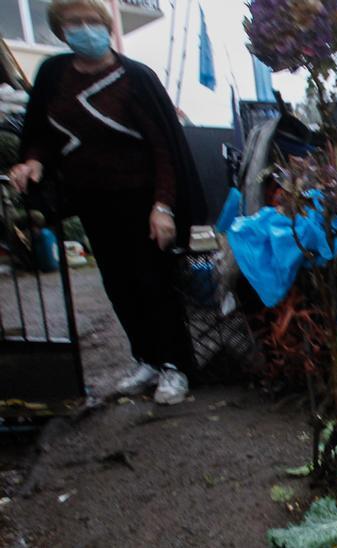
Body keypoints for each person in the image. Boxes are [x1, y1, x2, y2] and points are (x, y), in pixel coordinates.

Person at [7, 0, 206, 405]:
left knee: (154, 282)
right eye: (73, 23)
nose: (84, 29)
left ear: (106, 26)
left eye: (91, 22)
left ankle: (176, 366)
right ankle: (146, 359)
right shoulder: (54, 75)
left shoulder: (136, 78)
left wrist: (163, 206)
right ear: (60, 30)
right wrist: (32, 161)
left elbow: (164, 149)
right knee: (118, 284)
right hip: (93, 199)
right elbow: (43, 133)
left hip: (143, 199)